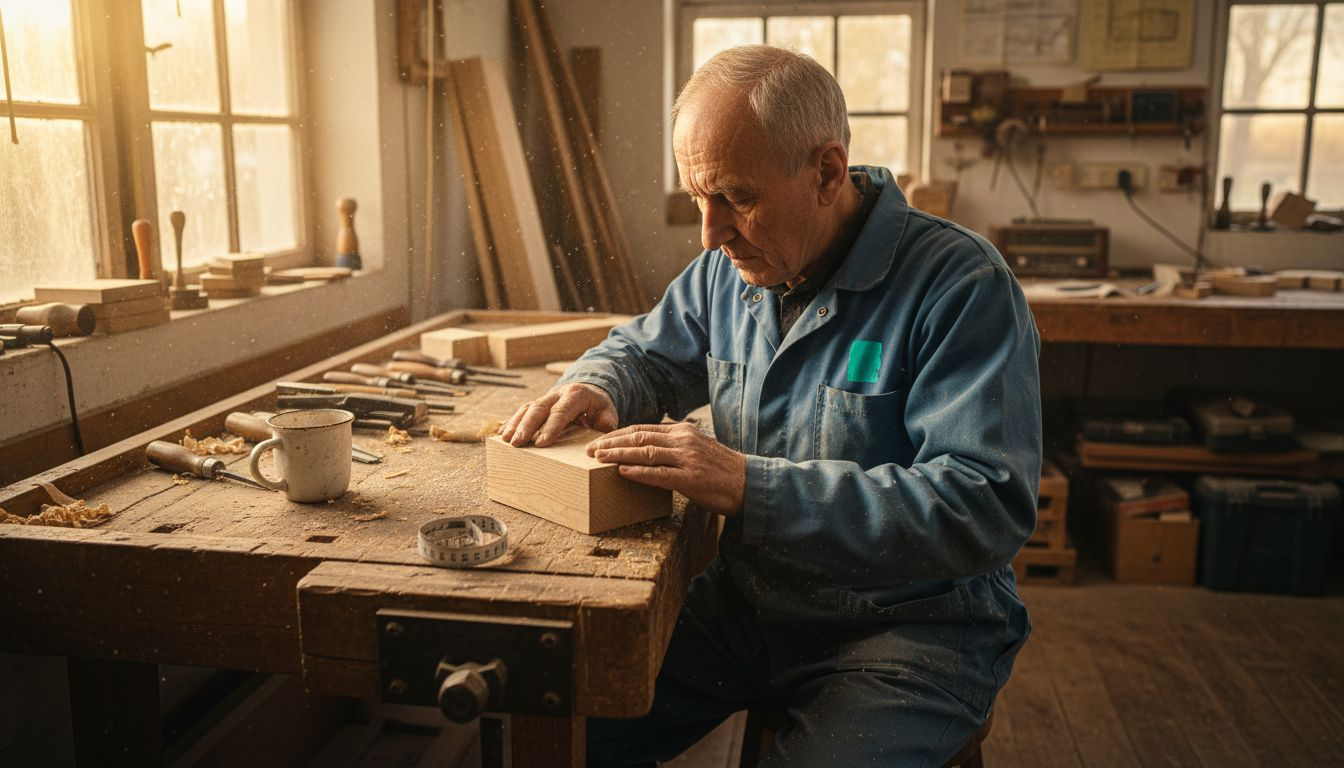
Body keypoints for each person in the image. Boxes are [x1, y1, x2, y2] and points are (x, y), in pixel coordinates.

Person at [501, 45, 1041, 767]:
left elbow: (984, 505)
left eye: (737, 197)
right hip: (752, 608)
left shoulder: (960, 284)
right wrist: (597, 384)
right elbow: (641, 351)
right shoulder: (732, 271)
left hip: (913, 627)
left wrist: (753, 485)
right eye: (699, 199)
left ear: (825, 172)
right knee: (557, 736)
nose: (709, 232)